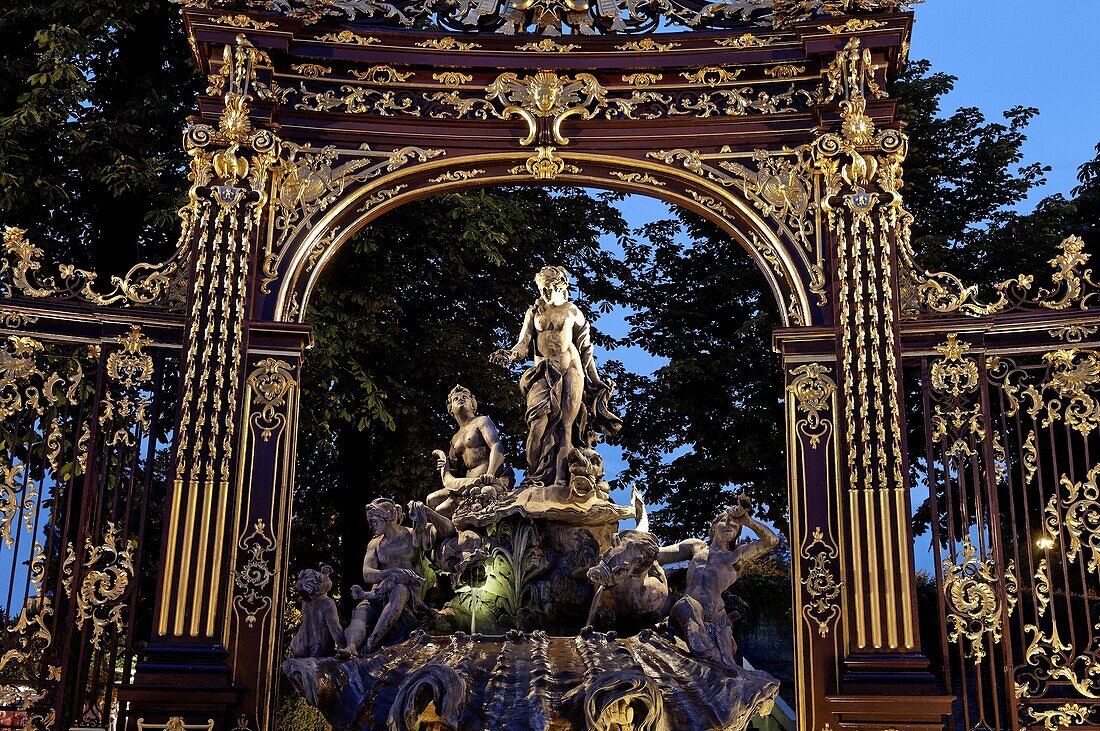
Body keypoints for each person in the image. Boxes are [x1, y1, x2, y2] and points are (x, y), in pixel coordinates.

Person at [491, 266, 621, 487]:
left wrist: (596, 380)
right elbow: (523, 345)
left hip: (571, 368)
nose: (544, 294)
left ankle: (561, 478)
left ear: (560, 285)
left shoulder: (572, 311)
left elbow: (586, 349)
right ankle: (534, 475)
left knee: (566, 427)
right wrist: (510, 355)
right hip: (543, 371)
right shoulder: (534, 312)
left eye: (549, 288)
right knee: (537, 424)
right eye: (542, 289)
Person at [658, 497, 780, 668]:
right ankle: (710, 657)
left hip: (716, 615)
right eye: (726, 520)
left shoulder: (737, 556)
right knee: (687, 606)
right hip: (687, 608)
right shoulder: (696, 547)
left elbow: (771, 542)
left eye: (736, 526)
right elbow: (659, 555)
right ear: (714, 526)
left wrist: (747, 521)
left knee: (722, 663)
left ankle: (716, 662)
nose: (731, 525)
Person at [338, 499, 428, 657]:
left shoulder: (412, 535)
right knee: (361, 610)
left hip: (407, 594)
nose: (371, 526)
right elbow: (367, 573)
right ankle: (351, 646)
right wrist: (390, 572)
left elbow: (442, 532)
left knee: (400, 590)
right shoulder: (375, 544)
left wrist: (426, 512)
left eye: (374, 521)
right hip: (378, 593)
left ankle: (370, 645)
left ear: (388, 517)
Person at [428, 385, 514, 518]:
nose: (460, 400)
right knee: (431, 500)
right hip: (464, 485)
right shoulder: (455, 439)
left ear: (473, 404)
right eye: (455, 399)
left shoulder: (481, 421)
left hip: (484, 481)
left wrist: (490, 473)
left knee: (441, 510)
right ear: (450, 408)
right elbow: (456, 471)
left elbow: (496, 446)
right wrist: (444, 468)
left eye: (465, 397)